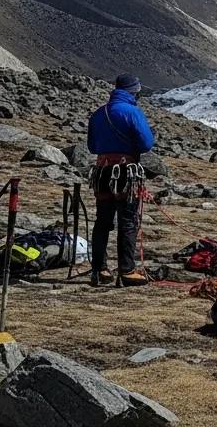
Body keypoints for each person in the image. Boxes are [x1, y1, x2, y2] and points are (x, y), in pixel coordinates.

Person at [86, 73, 155, 287]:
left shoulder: (99, 114)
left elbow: (92, 147)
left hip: (103, 171)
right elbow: (146, 143)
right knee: (128, 221)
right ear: (133, 91)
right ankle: (126, 270)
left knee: (102, 221)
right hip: (126, 172)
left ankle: (99, 270)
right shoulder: (132, 112)